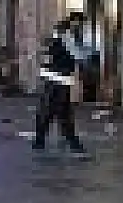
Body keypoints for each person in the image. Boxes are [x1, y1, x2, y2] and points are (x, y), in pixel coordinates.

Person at [33, 18, 89, 156]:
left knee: (53, 110)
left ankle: (42, 140)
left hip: (51, 79)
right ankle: (71, 142)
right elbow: (78, 56)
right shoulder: (67, 39)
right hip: (60, 79)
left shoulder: (53, 39)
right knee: (58, 111)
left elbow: (45, 58)